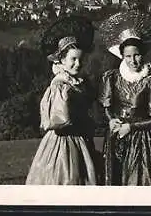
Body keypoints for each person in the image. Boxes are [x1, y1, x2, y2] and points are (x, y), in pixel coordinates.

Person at [98, 10, 151, 186]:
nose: (133, 60)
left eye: (136, 55)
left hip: (143, 142)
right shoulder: (112, 78)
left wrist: (131, 126)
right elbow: (107, 107)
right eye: (128, 56)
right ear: (122, 56)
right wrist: (111, 120)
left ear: (143, 54)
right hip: (116, 139)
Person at [26, 35, 98, 185]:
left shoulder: (78, 84)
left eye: (81, 59)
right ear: (63, 61)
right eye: (73, 59)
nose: (78, 64)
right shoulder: (60, 86)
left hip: (81, 140)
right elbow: (58, 121)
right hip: (63, 142)